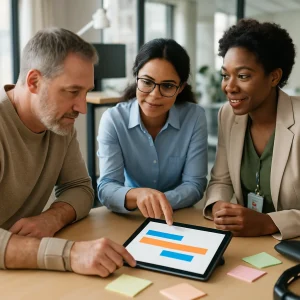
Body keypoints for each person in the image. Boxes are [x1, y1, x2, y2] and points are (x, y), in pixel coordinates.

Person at [0, 28, 135, 277]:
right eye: (73, 92)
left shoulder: (58, 124)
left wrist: (51, 218)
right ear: (34, 82)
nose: (81, 107)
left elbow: (81, 188)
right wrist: (69, 254)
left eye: (86, 92)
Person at [203, 19, 300, 240]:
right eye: (226, 75)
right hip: (245, 242)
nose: (229, 87)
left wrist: (268, 223)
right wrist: (219, 207)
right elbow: (221, 180)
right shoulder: (227, 115)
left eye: (243, 76)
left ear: (274, 77)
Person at [97, 38, 208, 225]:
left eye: (167, 86)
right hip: (131, 217)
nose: (155, 95)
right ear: (136, 77)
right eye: (147, 82)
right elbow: (106, 188)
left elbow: (195, 185)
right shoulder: (114, 120)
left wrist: (157, 202)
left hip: (179, 217)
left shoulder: (195, 117)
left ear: (180, 88)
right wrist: (138, 196)